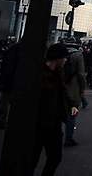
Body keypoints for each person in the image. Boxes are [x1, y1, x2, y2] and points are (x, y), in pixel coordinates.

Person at [30, 43, 79, 176]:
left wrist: (72, 105)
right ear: (57, 58)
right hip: (39, 124)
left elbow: (62, 92)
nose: (66, 60)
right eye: (64, 57)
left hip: (54, 123)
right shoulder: (40, 75)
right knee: (32, 158)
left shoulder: (57, 73)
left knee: (55, 157)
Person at [63, 44, 85, 146]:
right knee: (72, 113)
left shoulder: (61, 51)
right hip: (73, 86)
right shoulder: (78, 55)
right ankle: (68, 138)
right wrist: (82, 88)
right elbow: (81, 74)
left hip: (59, 84)